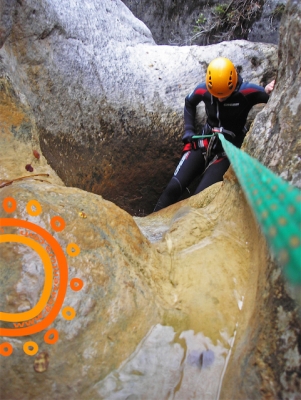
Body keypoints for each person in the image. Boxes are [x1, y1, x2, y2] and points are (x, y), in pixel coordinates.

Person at [153, 56, 275, 212]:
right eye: (216, 95)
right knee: (173, 187)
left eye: (224, 95)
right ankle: (149, 230)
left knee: (200, 198)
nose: (220, 98)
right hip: (205, 141)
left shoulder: (247, 92)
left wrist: (269, 90)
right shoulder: (204, 89)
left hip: (228, 150)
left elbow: (269, 96)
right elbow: (189, 102)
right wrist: (189, 130)